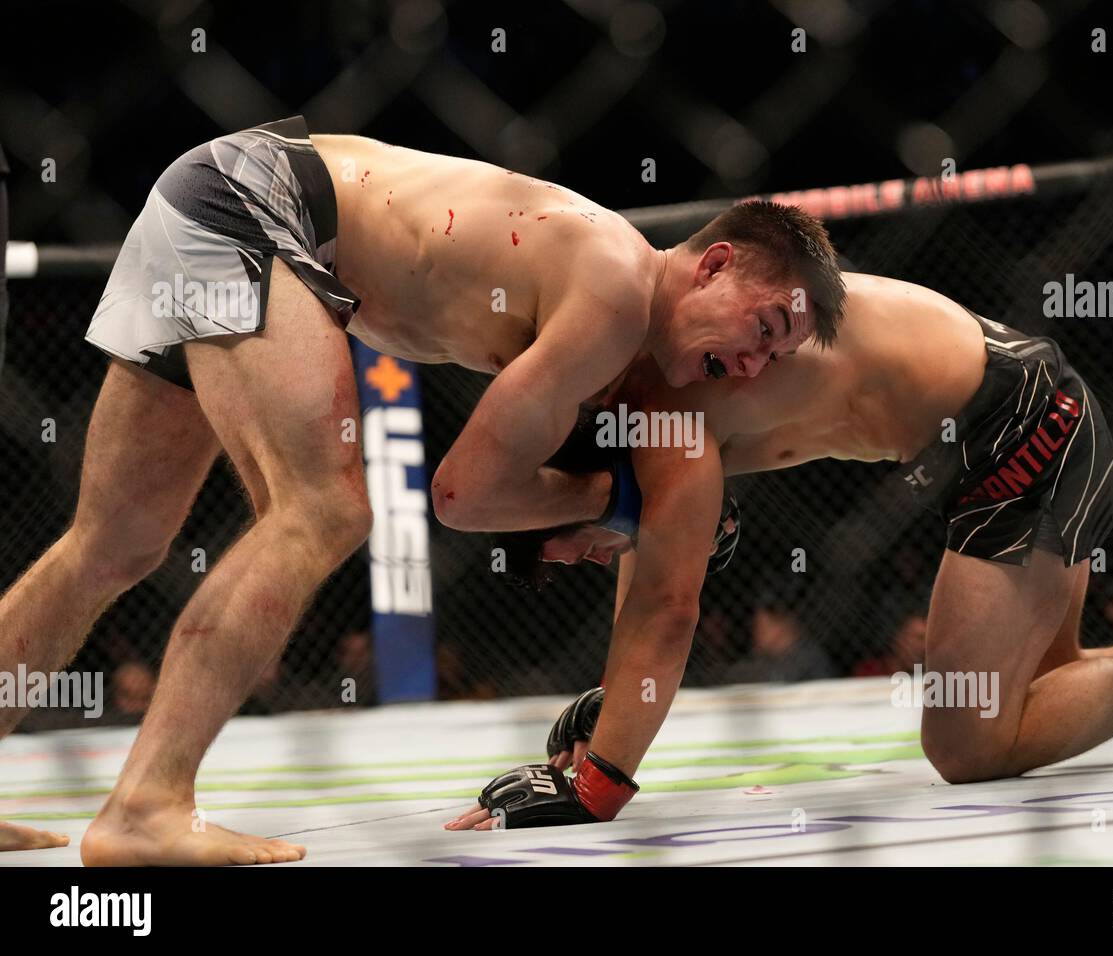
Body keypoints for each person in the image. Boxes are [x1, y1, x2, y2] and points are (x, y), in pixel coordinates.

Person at [0, 116, 845, 863]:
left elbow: (502, 489)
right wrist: (607, 503)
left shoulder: (613, 310)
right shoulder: (615, 294)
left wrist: (594, 498)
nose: (751, 364)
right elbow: (463, 496)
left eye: (773, 358)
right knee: (321, 509)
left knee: (112, 542)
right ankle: (148, 803)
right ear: (717, 265)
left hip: (213, 196)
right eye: (763, 329)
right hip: (256, 209)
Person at [447, 271, 1113, 830]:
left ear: (566, 500)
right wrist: (609, 711)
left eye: (573, 554)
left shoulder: (654, 414)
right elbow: (648, 584)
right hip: (1026, 410)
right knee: (1046, 687)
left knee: (964, 747)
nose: (594, 562)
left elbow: (665, 609)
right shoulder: (643, 412)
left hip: (1019, 433)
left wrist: (595, 779)